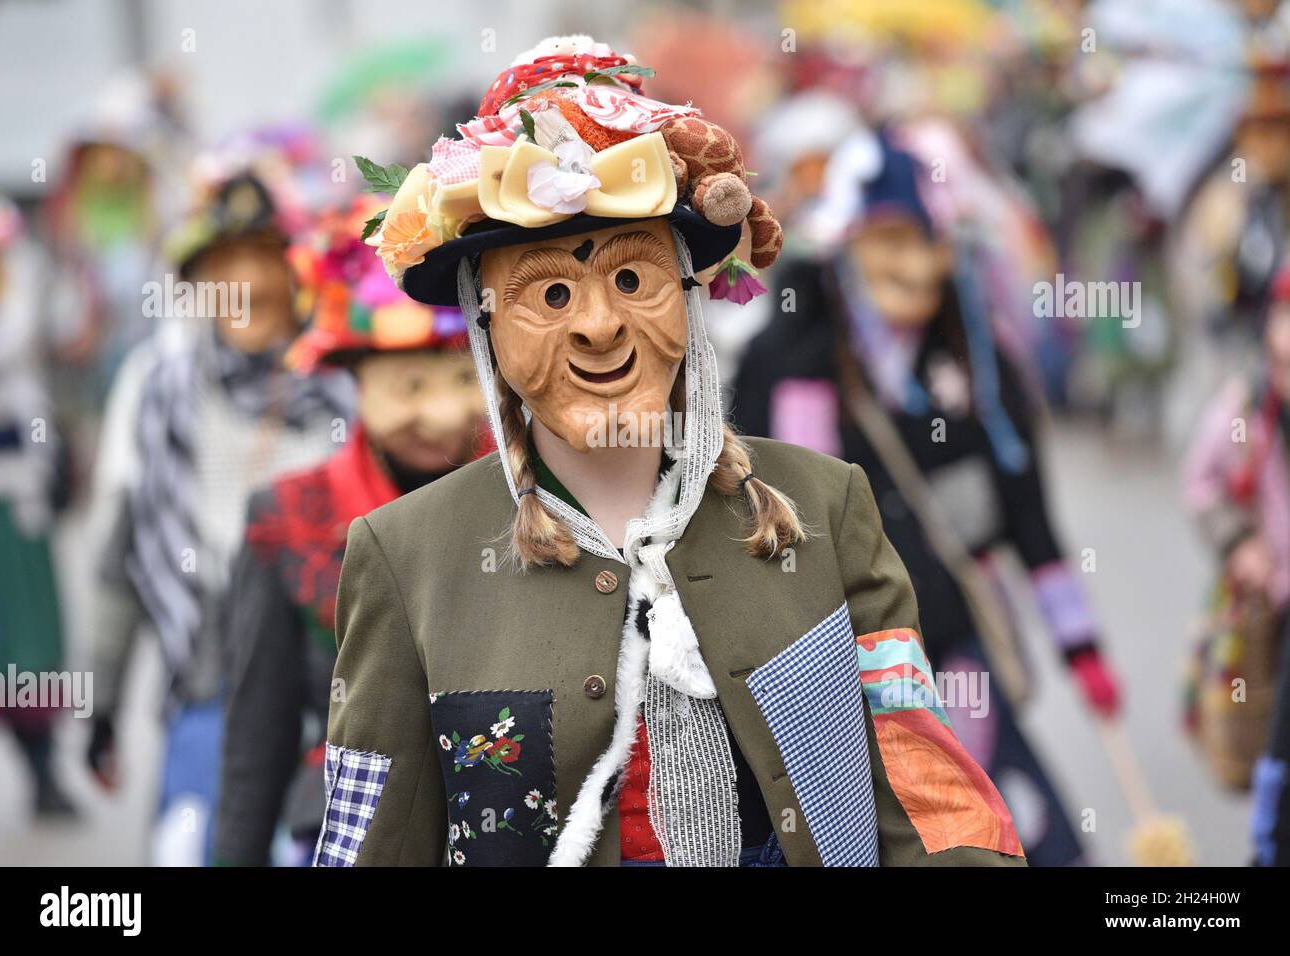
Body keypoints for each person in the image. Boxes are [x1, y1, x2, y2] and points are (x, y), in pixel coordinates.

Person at [312, 35, 1024, 868]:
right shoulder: (406, 558)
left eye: (631, 280)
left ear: (691, 299)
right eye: (549, 292)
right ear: (486, 329)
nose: (599, 325)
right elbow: (370, 847)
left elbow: (928, 799)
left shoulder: (824, 508)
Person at [735, 137, 1120, 866]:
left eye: (931, 241)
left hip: (949, 650)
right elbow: (763, 510)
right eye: (890, 239)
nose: (916, 264)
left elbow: (1029, 517)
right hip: (826, 661)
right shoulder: (790, 363)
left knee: (982, 833)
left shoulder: (975, 365)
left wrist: (1082, 647)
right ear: (844, 244)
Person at [86, 173, 353, 866]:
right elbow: (120, 554)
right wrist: (102, 700)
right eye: (224, 264)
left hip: (334, 689)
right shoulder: (156, 391)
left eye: (267, 258)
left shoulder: (343, 383)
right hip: (209, 682)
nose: (249, 284)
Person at [213, 200, 487, 866]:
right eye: (410, 386)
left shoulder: (539, 503)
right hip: (343, 825)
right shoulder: (287, 516)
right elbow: (260, 729)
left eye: (463, 378)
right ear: (355, 381)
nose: (445, 414)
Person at [1184, 261, 1290, 866]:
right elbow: (1200, 484)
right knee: (1275, 748)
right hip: (1277, 606)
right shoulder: (1246, 404)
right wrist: (1237, 542)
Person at [0, 194, 75, 817]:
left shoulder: (12, 314)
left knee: (27, 648)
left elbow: (17, 343)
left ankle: (44, 775)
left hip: (14, 511)